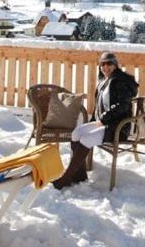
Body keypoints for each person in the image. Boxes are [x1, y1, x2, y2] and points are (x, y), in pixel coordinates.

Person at [53, 51, 138, 190]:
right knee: (77, 133)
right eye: (102, 64)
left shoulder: (121, 81)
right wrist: (92, 122)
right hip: (106, 123)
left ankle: (66, 177)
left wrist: (103, 120)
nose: (106, 67)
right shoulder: (104, 82)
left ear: (116, 65)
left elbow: (122, 106)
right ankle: (79, 175)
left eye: (109, 63)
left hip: (119, 127)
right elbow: (99, 108)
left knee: (86, 138)